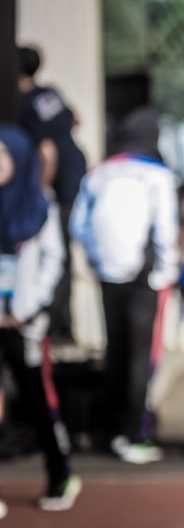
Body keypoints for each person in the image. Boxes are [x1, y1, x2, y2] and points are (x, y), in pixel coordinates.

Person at [70, 104, 180, 464]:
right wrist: (165, 273)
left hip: (108, 277)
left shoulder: (100, 173)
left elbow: (78, 225)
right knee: (139, 358)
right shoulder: (158, 175)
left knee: (114, 353)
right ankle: (134, 434)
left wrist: (96, 261)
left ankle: (109, 431)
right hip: (144, 280)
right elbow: (166, 229)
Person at [0, 125, 81, 514]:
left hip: (24, 322)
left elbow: (54, 261)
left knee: (37, 400)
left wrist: (30, 309)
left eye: (2, 154)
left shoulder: (39, 204)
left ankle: (60, 473)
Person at [17, 45, 88, 346]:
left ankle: (57, 326)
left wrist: (40, 192)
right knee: (64, 255)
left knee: (54, 254)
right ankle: (62, 325)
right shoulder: (49, 93)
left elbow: (47, 153)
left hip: (58, 184)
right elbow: (76, 120)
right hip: (76, 175)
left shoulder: (21, 103)